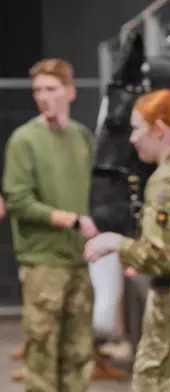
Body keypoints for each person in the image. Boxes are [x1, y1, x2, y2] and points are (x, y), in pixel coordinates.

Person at [84, 88, 170, 392]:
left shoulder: (166, 180)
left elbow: (161, 255)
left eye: (137, 129)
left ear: (158, 130)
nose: (132, 138)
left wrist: (113, 242)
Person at [2, 58, 99, 391]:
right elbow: (18, 200)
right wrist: (70, 220)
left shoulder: (82, 137)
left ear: (70, 92)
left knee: (79, 356)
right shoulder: (24, 140)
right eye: (38, 90)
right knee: (42, 362)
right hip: (43, 264)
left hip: (79, 262)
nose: (43, 97)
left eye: (51, 89)